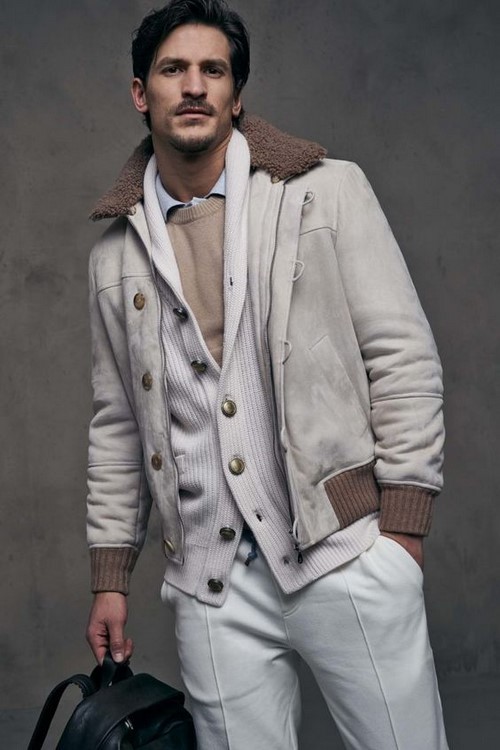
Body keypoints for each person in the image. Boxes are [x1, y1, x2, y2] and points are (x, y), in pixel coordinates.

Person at [85, 1, 449, 747]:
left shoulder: (325, 191)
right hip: (212, 588)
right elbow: (117, 424)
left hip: (343, 551)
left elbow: (402, 354)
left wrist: (402, 534)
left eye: (212, 70)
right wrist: (111, 577)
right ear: (140, 93)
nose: (194, 86)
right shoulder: (115, 257)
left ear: (236, 94)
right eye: (173, 69)